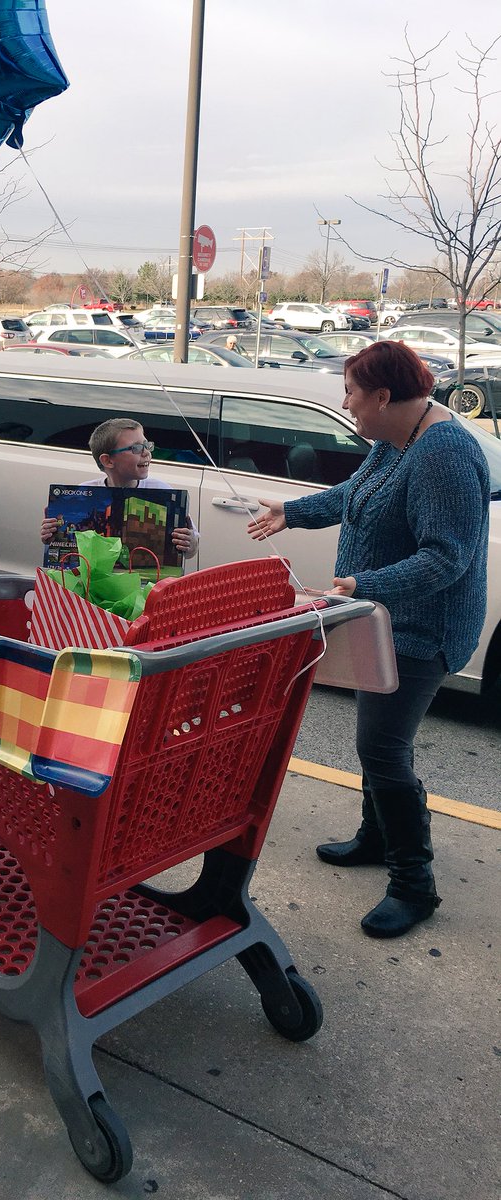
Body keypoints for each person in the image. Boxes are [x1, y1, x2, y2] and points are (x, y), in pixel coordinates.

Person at [247, 340, 489, 939]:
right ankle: (377, 836)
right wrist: (292, 512)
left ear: (384, 395)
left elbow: (447, 558)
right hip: (379, 618)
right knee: (376, 743)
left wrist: (364, 584)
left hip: (420, 629)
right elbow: (354, 496)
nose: (346, 403)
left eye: (352, 393)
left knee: (383, 749)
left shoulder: (444, 453)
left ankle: (414, 884)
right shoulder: (394, 439)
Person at [40, 417, 199, 558]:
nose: (146, 453)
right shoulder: (83, 494)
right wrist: (52, 536)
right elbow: (63, 549)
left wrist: (190, 543)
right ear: (108, 461)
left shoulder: (163, 491)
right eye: (136, 448)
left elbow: (190, 549)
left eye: (147, 445)